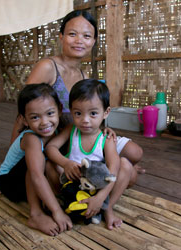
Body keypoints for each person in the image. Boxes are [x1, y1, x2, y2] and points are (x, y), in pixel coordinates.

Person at [11, 10, 144, 179]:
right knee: (128, 174)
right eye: (72, 34)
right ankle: (110, 169)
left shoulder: (84, 77)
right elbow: (23, 113)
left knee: (135, 152)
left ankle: (111, 165)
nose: (79, 40)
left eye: (86, 36)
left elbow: (90, 111)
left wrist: (103, 128)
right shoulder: (48, 67)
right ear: (61, 37)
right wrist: (9, 163)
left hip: (82, 133)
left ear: (93, 41)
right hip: (56, 140)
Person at [45, 79, 136, 230]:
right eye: (78, 113)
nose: (85, 120)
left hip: (96, 188)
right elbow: (50, 147)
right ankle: (62, 201)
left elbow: (113, 168)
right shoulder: (71, 129)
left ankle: (106, 208)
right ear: (71, 110)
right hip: (71, 184)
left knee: (125, 164)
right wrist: (65, 163)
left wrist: (100, 198)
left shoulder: (106, 139)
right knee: (49, 164)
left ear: (106, 112)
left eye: (93, 113)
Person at [0, 84, 72, 236]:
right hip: (10, 182)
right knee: (36, 162)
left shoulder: (59, 130)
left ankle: (49, 199)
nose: (44, 122)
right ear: (25, 120)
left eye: (50, 113)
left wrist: (106, 130)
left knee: (53, 155)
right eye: (35, 117)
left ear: (59, 109)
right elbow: (36, 175)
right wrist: (57, 212)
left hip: (30, 179)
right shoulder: (31, 138)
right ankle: (35, 214)